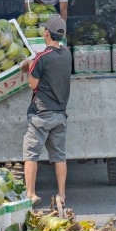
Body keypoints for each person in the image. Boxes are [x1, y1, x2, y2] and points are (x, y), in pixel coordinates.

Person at [21, 15, 72, 208]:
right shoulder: (67, 54)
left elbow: (32, 84)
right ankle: (62, 195)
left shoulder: (42, 58)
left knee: (31, 154)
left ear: (47, 34)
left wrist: (31, 67)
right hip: (60, 114)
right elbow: (51, 63)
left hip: (40, 115)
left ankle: (31, 194)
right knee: (59, 156)